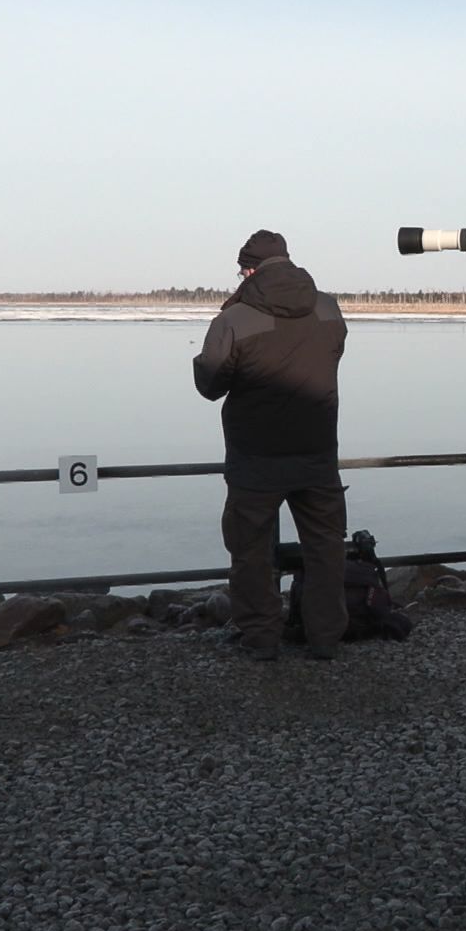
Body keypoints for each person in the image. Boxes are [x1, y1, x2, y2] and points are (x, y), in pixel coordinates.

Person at [193, 230, 348, 660]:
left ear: (248, 269)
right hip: (317, 448)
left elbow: (209, 382)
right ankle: (325, 637)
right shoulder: (328, 308)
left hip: (255, 456)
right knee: (325, 548)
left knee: (250, 551)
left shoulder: (235, 318)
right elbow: (334, 353)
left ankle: (260, 637)